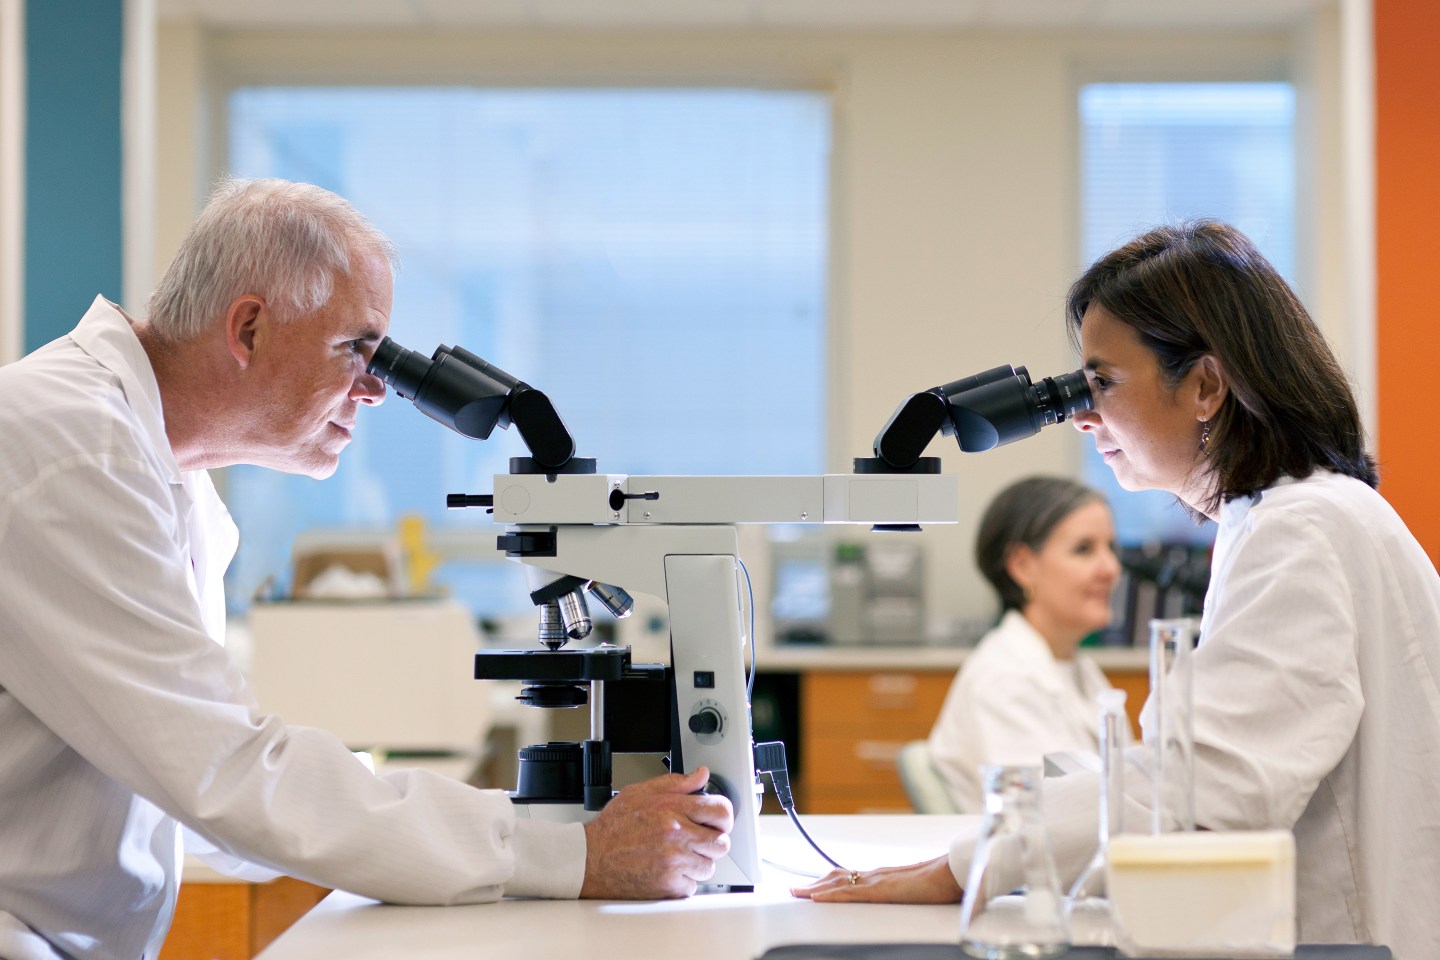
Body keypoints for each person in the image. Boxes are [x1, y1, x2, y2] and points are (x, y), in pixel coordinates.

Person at [0, 178, 733, 960]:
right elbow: (226, 775)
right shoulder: (71, 450)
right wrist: (567, 854)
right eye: (356, 347)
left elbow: (203, 781)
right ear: (248, 329)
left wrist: (498, 835)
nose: (376, 389)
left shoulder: (155, 467)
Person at [794, 220, 1440, 959]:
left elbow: (1208, 787)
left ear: (1205, 385)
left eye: (1101, 382)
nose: (1081, 415)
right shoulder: (1301, 515)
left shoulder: (1297, 529)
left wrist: (970, 864)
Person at [927, 476, 1122, 812]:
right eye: (1084, 549)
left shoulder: (1078, 669)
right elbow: (1055, 816)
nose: (1111, 568)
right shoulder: (1002, 680)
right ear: (1022, 566)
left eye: (1111, 548)